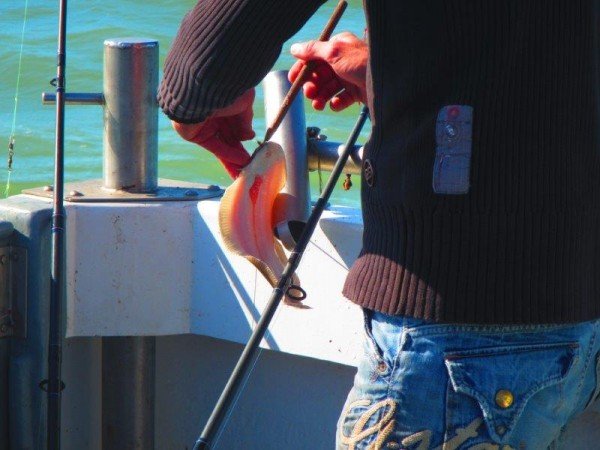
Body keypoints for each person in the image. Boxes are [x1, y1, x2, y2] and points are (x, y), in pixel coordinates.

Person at [158, 1, 600, 448]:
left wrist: (193, 92)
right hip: (580, 315)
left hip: (451, 333)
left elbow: (214, 57)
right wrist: (387, 66)